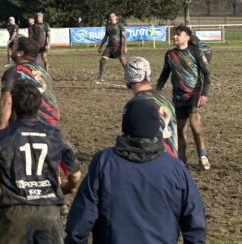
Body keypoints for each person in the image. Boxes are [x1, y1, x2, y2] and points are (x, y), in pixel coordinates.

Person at [64, 98, 207, 244]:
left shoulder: (104, 162)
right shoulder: (176, 169)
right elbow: (195, 222)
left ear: (126, 125)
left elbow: (81, 219)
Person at [0, 81, 82, 243]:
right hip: (49, 211)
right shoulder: (55, 135)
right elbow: (75, 175)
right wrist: (66, 188)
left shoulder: (1, 138)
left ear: (14, 107)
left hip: (14, 211)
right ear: (38, 106)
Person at [156, 25, 212, 169]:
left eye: (178, 34)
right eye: (174, 34)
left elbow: (207, 74)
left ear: (186, 37)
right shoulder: (170, 54)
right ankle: (182, 159)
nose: (174, 36)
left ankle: (203, 156)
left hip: (194, 95)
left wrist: (204, 94)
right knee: (180, 130)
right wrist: (157, 90)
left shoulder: (196, 52)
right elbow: (164, 74)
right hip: (178, 97)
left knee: (196, 128)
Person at [0, 37, 56, 131]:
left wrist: (0, 131)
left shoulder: (14, 71)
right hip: (51, 121)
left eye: (14, 46)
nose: (11, 49)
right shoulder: (45, 72)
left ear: (20, 53)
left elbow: (6, 102)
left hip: (28, 123)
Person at [125, 57, 178, 158]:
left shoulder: (137, 104)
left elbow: (135, 141)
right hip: (172, 161)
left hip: (153, 163)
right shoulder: (165, 98)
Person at [96, 12, 127, 84]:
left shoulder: (120, 25)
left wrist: (125, 46)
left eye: (113, 16)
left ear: (116, 17)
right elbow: (105, 36)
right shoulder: (107, 26)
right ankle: (100, 78)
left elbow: (124, 36)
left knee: (123, 62)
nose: (111, 17)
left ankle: (130, 76)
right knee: (102, 60)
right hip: (109, 46)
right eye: (110, 16)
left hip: (118, 46)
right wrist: (100, 46)